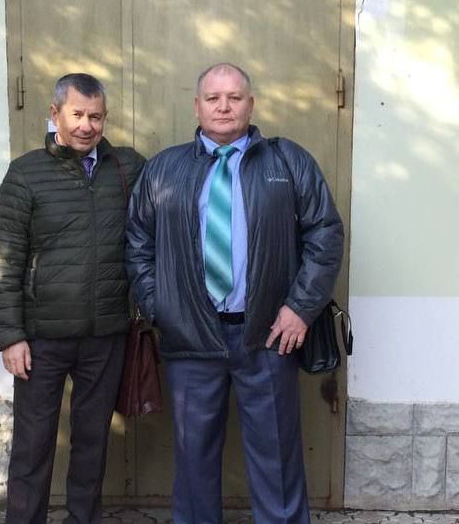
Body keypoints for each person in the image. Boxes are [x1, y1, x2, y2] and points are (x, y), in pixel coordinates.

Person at [125, 62, 344, 524]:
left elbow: (324, 235)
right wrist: (161, 308)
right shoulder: (164, 168)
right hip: (189, 338)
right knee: (193, 460)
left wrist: (300, 308)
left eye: (234, 97)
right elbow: (138, 243)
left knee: (277, 458)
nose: (223, 106)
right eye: (213, 98)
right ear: (197, 106)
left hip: (268, 335)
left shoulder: (289, 162)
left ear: (251, 104)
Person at [0, 73, 145, 524]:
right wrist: (9, 336)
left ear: (105, 117)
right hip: (41, 339)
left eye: (95, 116)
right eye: (77, 114)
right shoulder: (25, 173)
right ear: (55, 113)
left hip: (105, 335)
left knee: (92, 444)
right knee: (33, 445)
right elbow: (3, 259)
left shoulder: (127, 167)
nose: (86, 126)